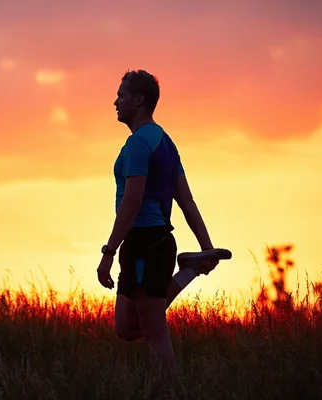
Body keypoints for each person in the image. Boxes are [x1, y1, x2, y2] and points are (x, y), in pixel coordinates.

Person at [96, 69, 220, 368]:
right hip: (144, 243)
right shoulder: (164, 141)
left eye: (121, 96)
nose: (115, 102)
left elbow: (132, 200)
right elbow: (186, 201)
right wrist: (207, 248)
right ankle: (189, 269)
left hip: (147, 243)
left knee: (155, 332)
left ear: (138, 100)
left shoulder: (140, 143)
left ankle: (170, 391)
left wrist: (108, 252)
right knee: (126, 329)